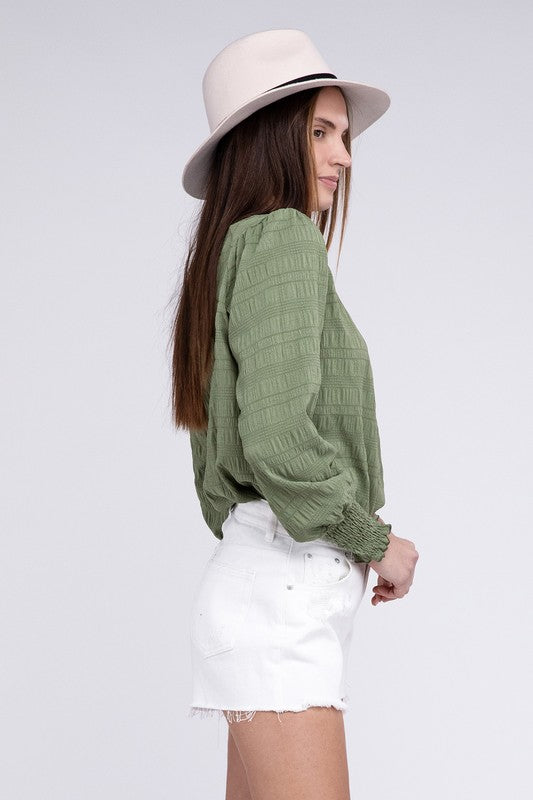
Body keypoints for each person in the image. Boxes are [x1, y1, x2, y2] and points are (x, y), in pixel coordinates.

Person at [169, 28, 419, 800]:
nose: (343, 155)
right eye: (320, 132)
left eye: (342, 134)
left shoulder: (231, 248)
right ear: (266, 139)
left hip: (261, 588)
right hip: (279, 599)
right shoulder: (281, 240)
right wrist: (373, 541)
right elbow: (277, 439)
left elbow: (224, 475)